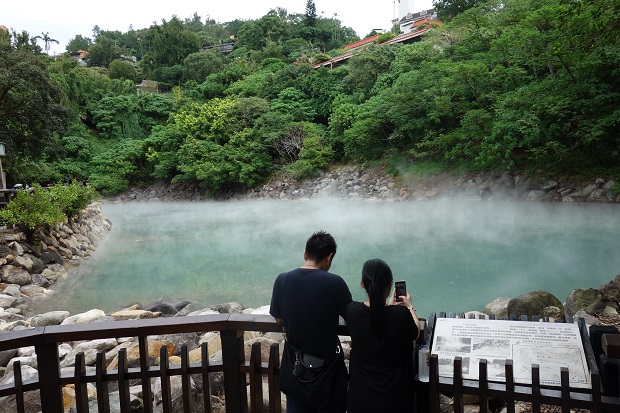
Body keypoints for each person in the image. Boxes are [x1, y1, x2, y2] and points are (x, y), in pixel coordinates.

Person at [270, 230, 352, 413]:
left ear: (305, 254)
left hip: (296, 369)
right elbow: (352, 318)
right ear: (329, 257)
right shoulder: (335, 283)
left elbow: (278, 319)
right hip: (328, 373)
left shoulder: (282, 279)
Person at [345, 258, 421, 413]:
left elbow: (377, 317)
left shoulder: (352, 311)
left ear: (362, 283)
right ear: (390, 285)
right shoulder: (400, 315)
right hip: (394, 401)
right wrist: (410, 307)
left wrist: (389, 306)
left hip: (360, 401)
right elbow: (415, 332)